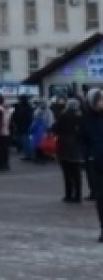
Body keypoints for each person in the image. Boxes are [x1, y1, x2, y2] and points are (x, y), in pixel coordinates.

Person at [52, 98, 85, 203]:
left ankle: (69, 195)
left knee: (67, 173)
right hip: (78, 147)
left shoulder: (64, 115)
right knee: (77, 174)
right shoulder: (81, 116)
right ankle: (78, 195)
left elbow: (55, 128)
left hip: (65, 146)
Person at [81, 89, 103, 242]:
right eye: (99, 100)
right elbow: (83, 140)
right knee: (101, 199)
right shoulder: (86, 118)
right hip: (97, 163)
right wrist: (89, 156)